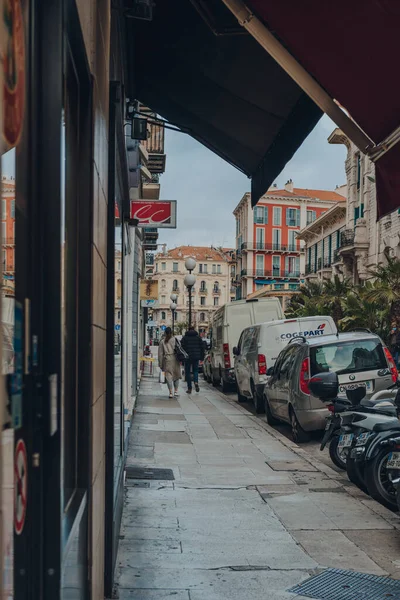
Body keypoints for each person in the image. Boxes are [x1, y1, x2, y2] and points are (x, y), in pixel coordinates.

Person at [158, 327, 181, 399]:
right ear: (171, 332)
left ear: (165, 333)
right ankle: (176, 391)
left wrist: (161, 364)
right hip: (176, 359)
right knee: (176, 375)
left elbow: (160, 354)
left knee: (168, 376)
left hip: (167, 360)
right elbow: (180, 349)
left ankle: (170, 392)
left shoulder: (162, 341)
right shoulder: (175, 340)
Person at [181, 326, 205, 394]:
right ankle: (196, 382)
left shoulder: (185, 338)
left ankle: (189, 388)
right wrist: (202, 357)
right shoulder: (198, 338)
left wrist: (182, 357)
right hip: (196, 357)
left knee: (188, 372)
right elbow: (202, 347)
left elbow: (181, 347)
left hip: (187, 357)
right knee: (195, 370)